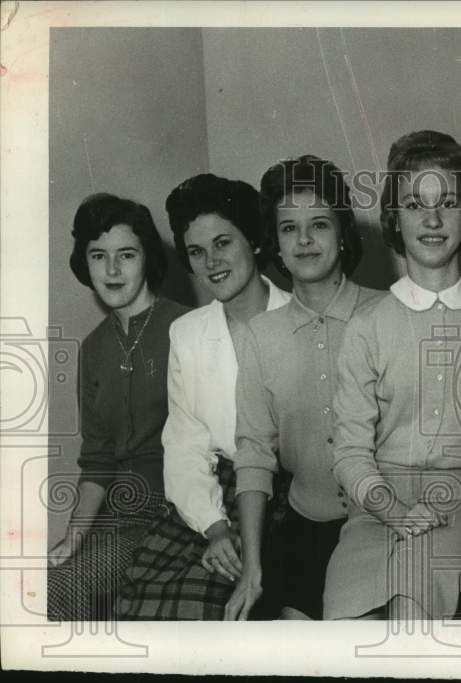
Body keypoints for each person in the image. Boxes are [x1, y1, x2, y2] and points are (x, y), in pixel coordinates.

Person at [325, 131, 461, 620]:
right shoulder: (368, 325)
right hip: (377, 506)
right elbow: (351, 452)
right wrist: (392, 509)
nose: (433, 219)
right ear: (394, 218)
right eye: (415, 204)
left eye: (447, 201)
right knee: (345, 618)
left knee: (411, 602)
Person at [117, 174, 291, 620]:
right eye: (196, 251)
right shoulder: (189, 333)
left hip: (288, 495)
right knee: (146, 605)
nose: (211, 262)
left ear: (253, 241)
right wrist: (215, 528)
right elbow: (184, 445)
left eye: (222, 243)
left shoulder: (299, 317)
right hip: (215, 495)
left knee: (214, 607)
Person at [226, 155, 379, 620]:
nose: (305, 239)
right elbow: (253, 456)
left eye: (319, 224)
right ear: (275, 240)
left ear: (342, 231)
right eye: (289, 228)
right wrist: (252, 568)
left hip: (381, 522)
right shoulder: (259, 336)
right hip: (304, 526)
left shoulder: (388, 314)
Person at [49, 193, 189, 620]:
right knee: (40, 583)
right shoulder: (92, 349)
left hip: (172, 514)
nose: (111, 270)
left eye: (126, 254)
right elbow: (97, 461)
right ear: (84, 263)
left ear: (147, 258)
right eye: (98, 256)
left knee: (64, 586)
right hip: (116, 515)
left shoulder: (186, 328)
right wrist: (73, 536)